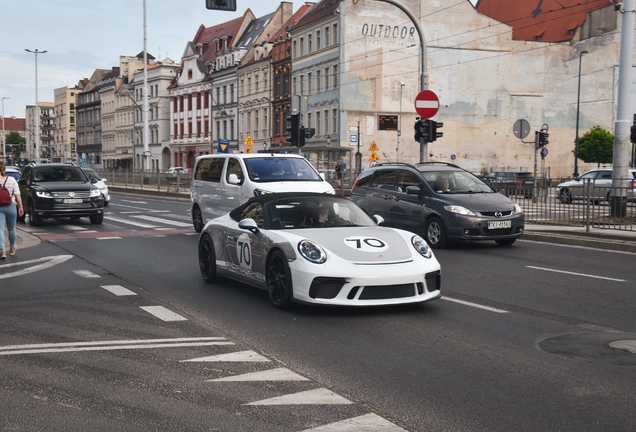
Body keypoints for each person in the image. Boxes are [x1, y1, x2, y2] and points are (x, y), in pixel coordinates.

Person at [0, 161, 25, 259]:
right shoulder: (11, 180)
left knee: (0, 230)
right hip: (11, 206)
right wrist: (21, 206)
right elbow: (17, 194)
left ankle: (2, 250)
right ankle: (12, 247)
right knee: (11, 228)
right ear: (5, 169)